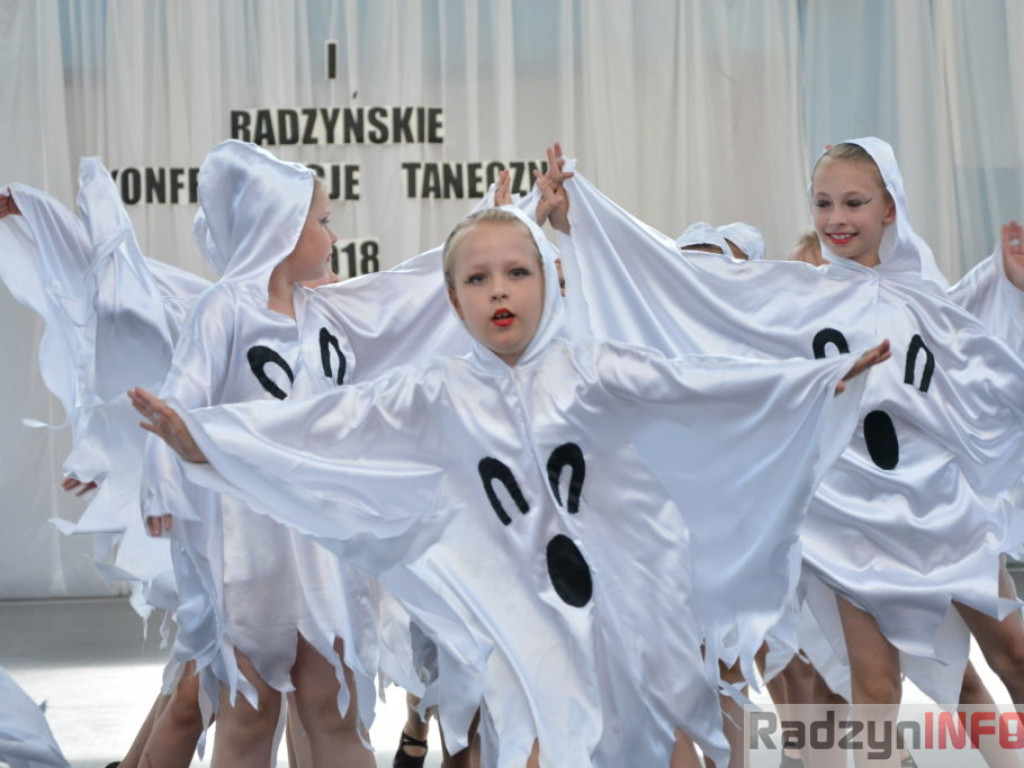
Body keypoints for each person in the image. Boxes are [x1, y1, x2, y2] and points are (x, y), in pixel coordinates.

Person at [131, 201, 888, 767]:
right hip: (516, 621)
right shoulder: (431, 394)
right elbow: (321, 426)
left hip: (623, 607)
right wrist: (207, 441)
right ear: (452, 299)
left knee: (659, 740)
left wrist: (814, 383)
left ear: (547, 283)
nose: (500, 291)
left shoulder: (593, 372)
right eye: (478, 278)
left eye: (517, 273)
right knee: (528, 740)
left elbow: (703, 388)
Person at [554, 138, 1024, 768]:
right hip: (851, 518)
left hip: (942, 504)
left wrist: (1007, 282)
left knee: (1011, 655)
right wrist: (581, 219)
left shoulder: (925, 291)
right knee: (874, 687)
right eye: (823, 203)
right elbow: (689, 284)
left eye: (854, 202)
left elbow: (972, 341)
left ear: (889, 207)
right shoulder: (797, 293)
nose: (836, 218)